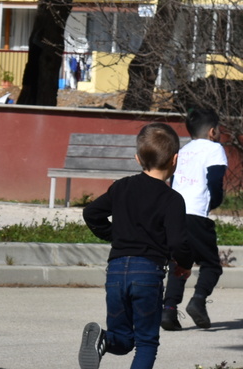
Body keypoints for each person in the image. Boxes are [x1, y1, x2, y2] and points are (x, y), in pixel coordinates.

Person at [78, 122, 192, 369]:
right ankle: (106, 339)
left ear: (137, 158)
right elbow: (178, 242)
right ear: (175, 159)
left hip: (116, 272)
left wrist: (116, 235)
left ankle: (104, 339)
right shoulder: (172, 199)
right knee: (146, 343)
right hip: (147, 274)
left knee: (123, 339)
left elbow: (91, 213)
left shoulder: (122, 186)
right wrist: (184, 264)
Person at [162, 108, 227, 331]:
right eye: (219, 130)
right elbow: (216, 180)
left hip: (176, 214)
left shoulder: (184, 150)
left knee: (179, 263)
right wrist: (213, 202)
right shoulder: (215, 148)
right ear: (212, 132)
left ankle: (169, 311)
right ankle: (198, 301)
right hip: (197, 214)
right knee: (211, 265)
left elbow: (173, 182)